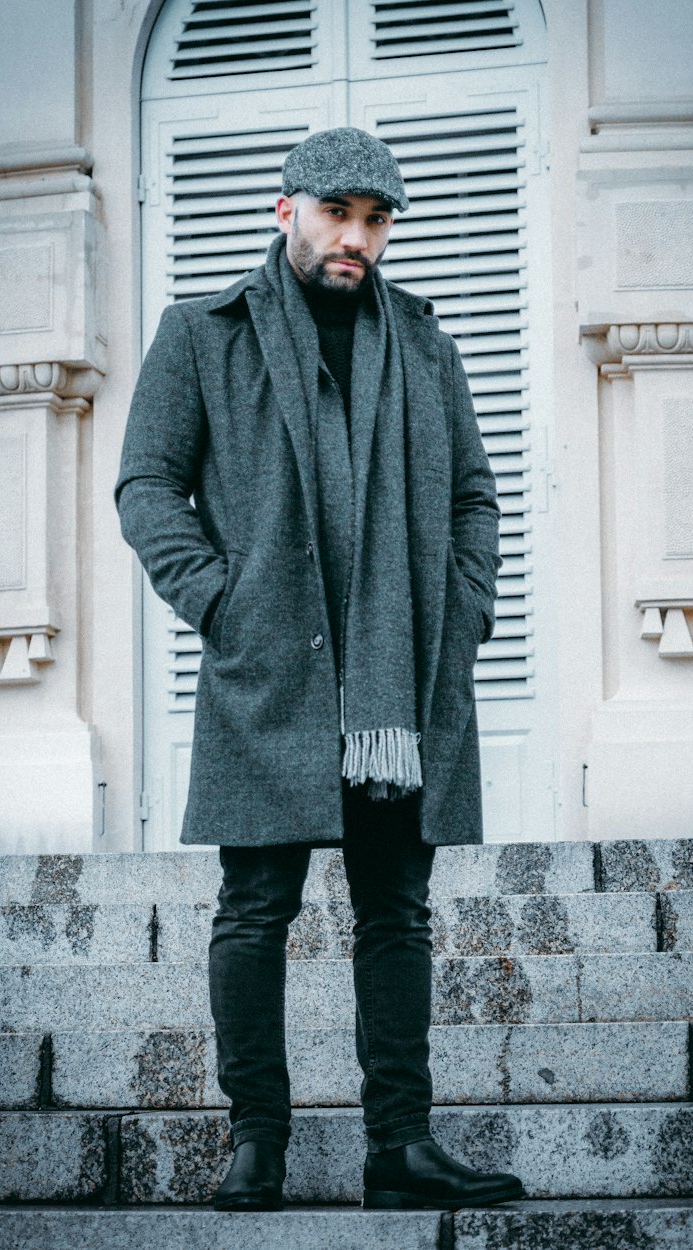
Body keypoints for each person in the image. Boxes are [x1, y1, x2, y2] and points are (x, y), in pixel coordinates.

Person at [115, 127, 524, 1212]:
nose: (356, 237)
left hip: (403, 674)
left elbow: (475, 497)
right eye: (337, 212)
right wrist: (222, 598)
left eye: (376, 218)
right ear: (282, 207)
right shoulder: (203, 334)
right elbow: (148, 486)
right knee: (254, 907)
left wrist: (465, 614)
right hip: (274, 667)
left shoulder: (425, 342)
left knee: (397, 907)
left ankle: (401, 1145)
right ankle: (257, 1143)